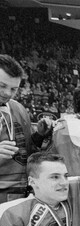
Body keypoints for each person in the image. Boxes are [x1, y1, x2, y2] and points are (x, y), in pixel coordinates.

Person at [0, 54, 52, 204]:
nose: (7, 93)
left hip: (22, 193)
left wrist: (40, 135)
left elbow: (28, 149)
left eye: (13, 89)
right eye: (2, 86)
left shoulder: (19, 109)